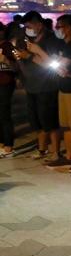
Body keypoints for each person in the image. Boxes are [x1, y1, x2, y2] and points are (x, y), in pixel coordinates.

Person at [14, 11, 64, 161]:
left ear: (39, 24)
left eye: (29, 26)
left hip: (46, 85)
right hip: (31, 85)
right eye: (25, 26)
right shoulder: (28, 40)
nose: (26, 29)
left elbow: (52, 64)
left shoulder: (51, 40)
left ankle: (55, 151)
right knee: (36, 121)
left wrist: (30, 55)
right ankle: (41, 149)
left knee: (50, 120)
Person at [49, 14, 71, 172]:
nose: (56, 29)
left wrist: (58, 64)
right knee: (65, 125)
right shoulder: (62, 44)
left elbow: (63, 64)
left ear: (69, 28)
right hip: (62, 87)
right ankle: (69, 155)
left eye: (59, 26)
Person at [0, 24, 18, 158]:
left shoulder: (7, 46)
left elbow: (17, 65)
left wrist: (5, 60)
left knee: (4, 113)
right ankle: (1, 143)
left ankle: (8, 145)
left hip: (5, 83)